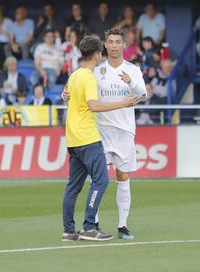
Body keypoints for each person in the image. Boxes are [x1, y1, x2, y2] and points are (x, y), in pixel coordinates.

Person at [64, 28, 147, 240]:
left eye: (117, 41)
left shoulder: (133, 70)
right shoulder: (95, 70)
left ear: (124, 45)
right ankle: (94, 224)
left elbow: (143, 95)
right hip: (99, 131)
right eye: (110, 41)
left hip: (124, 131)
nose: (113, 45)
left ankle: (122, 226)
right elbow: (78, 93)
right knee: (97, 179)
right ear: (104, 45)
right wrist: (66, 94)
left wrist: (131, 83)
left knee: (123, 176)